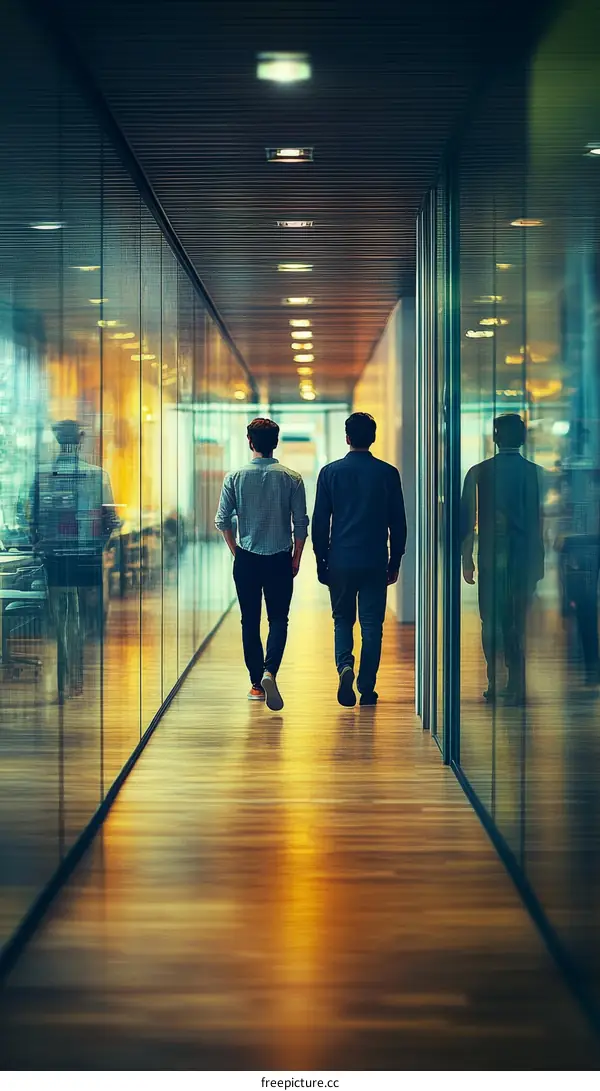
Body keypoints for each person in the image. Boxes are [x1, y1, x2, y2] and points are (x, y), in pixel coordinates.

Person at [312, 412, 407, 707]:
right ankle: (366, 686)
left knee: (342, 620)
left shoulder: (330, 473)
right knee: (371, 625)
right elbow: (398, 523)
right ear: (373, 438)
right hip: (375, 560)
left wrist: (321, 560)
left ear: (347, 438)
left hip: (340, 559)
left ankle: (345, 667)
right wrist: (395, 561)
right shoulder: (388, 473)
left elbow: (319, 523)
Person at [215, 417, 308, 711]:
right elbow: (301, 524)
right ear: (276, 442)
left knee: (249, 620)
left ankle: (256, 684)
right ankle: (270, 671)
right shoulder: (292, 478)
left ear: (250, 442)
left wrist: (236, 551)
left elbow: (222, 520)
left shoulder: (234, 477)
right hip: (280, 558)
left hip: (247, 560)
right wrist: (296, 557)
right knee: (279, 619)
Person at [29, 420, 120, 701]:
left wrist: (40, 546)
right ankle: (74, 675)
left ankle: (63, 677)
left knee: (59, 616)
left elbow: (31, 519)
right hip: (86, 556)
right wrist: (99, 547)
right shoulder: (97, 475)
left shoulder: (42, 474)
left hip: (54, 556)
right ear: (80, 440)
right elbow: (110, 519)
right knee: (78, 617)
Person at [461, 413, 544, 706]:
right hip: (524, 557)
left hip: (491, 555)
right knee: (516, 621)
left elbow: (466, 519)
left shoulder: (479, 471)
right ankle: (516, 680)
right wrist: (539, 564)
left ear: (495, 438)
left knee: (490, 620)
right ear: (522, 438)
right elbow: (539, 523)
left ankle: (494, 679)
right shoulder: (536, 473)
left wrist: (466, 558)